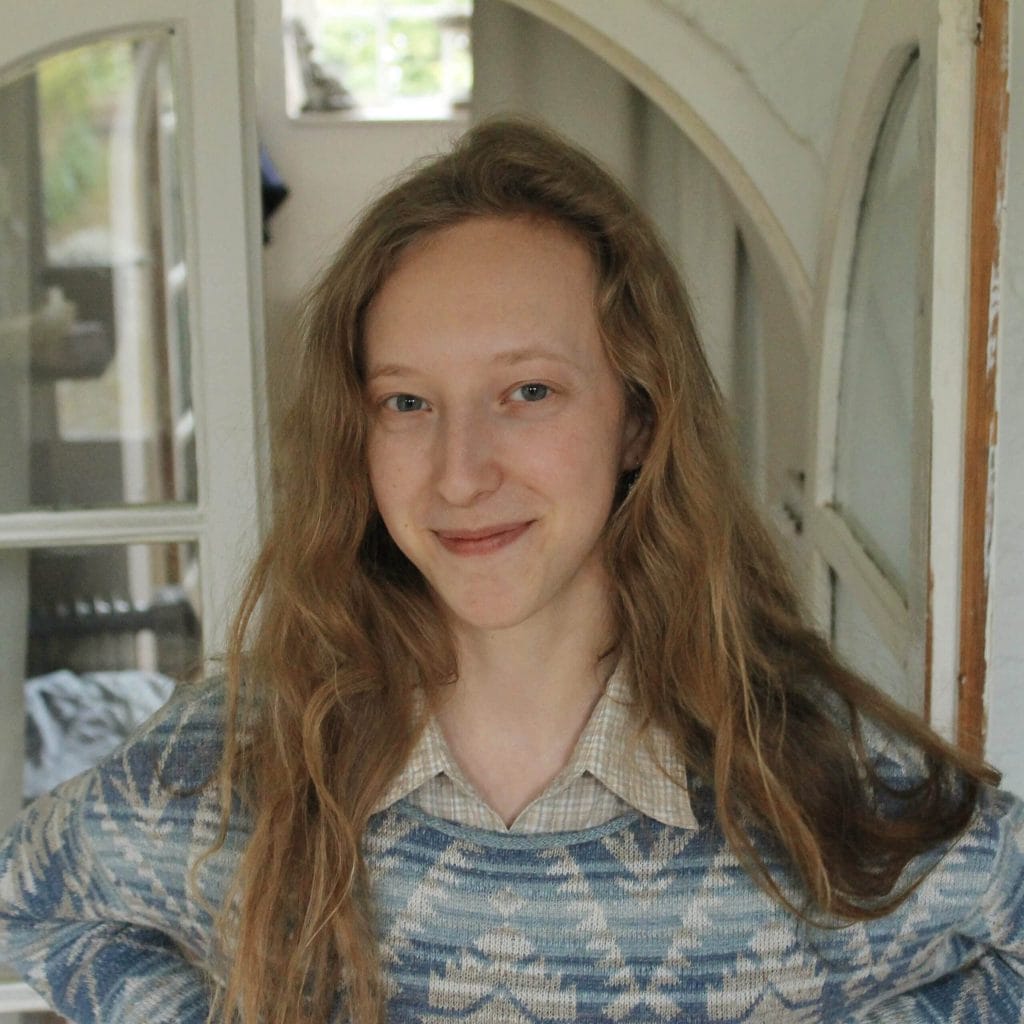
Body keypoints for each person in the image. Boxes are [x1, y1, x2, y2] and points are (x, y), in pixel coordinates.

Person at [1, 119, 1022, 1024]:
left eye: (528, 391)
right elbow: (29, 902)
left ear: (639, 418)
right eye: (406, 403)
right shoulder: (231, 763)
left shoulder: (822, 780)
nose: (460, 474)